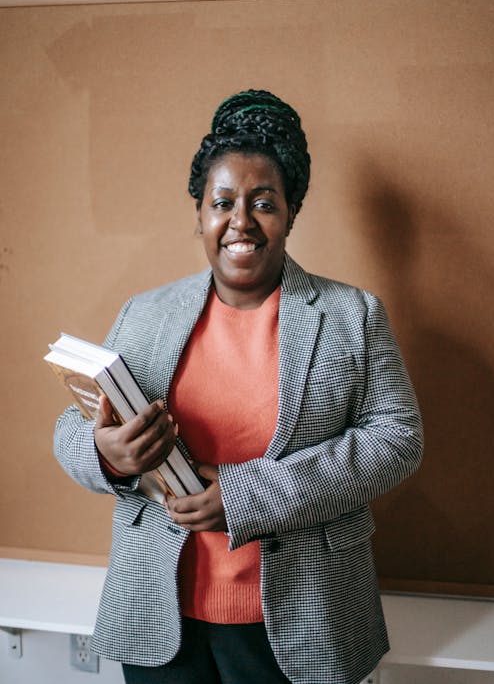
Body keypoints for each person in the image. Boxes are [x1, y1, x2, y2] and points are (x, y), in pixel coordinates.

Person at [54, 89, 423, 684]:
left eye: (264, 203)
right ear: (199, 212)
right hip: (158, 617)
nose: (240, 222)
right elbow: (73, 426)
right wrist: (106, 454)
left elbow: (399, 439)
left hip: (304, 621)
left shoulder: (352, 315)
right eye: (221, 202)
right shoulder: (145, 313)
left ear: (291, 212)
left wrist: (246, 495)